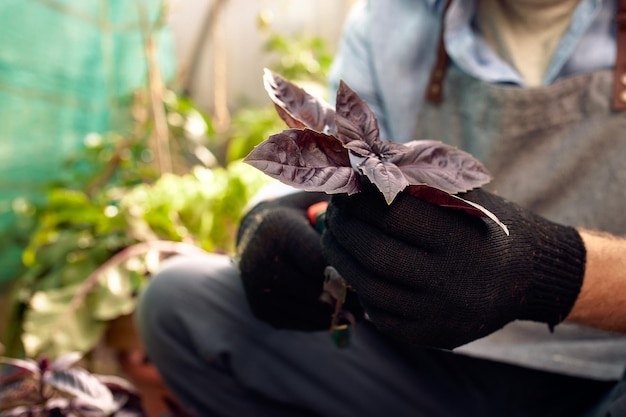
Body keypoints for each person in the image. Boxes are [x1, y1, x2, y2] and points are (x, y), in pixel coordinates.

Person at [136, 0, 626, 415]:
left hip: (603, 374)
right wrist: (272, 216)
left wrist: (545, 273)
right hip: (414, 355)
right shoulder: (390, 17)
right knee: (179, 304)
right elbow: (336, 155)